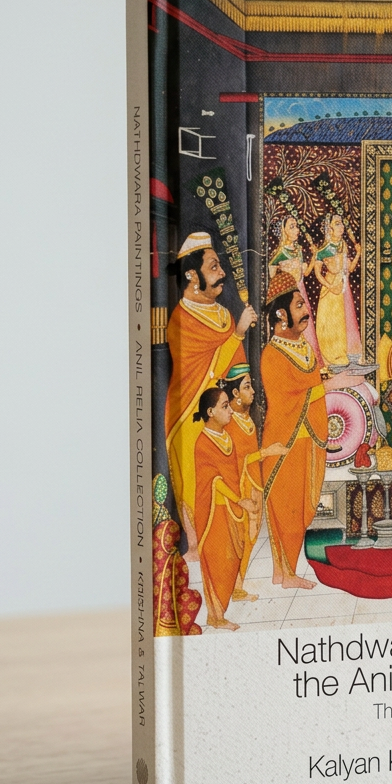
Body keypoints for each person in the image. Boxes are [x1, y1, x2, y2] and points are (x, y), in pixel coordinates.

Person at [260, 272, 359, 588]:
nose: (306, 311)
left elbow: (309, 380)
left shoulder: (302, 346)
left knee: (304, 507)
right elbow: (286, 396)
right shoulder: (272, 354)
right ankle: (285, 573)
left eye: (304, 304)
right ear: (281, 314)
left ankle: (284, 571)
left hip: (310, 437)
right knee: (287, 507)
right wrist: (331, 384)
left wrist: (328, 379)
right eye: (299, 305)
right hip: (285, 442)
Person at [164, 233, 255, 554]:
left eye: (220, 266)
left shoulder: (224, 315)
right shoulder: (180, 319)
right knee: (197, 482)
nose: (222, 273)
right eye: (213, 267)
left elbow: (234, 366)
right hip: (189, 411)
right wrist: (238, 333)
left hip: (223, 411)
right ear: (192, 275)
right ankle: (195, 546)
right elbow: (207, 372)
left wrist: (243, 394)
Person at [191, 387, 259, 630]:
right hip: (214, 512)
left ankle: (224, 609)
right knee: (218, 563)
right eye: (224, 406)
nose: (230, 410)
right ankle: (215, 617)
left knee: (233, 560)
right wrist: (240, 500)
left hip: (232, 509)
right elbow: (215, 481)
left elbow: (237, 469)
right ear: (210, 412)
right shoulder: (203, 443)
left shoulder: (227, 437)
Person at [220, 364, 288, 601]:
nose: (253, 391)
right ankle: (231, 587)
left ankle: (237, 586)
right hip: (240, 485)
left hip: (254, 482)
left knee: (250, 537)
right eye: (247, 387)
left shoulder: (245, 418)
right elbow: (236, 459)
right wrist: (267, 452)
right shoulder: (229, 421)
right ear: (235, 393)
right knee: (239, 537)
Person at [269, 215, 322, 363]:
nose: (296, 230)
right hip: (288, 297)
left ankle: (312, 361)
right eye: (292, 227)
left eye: (296, 226)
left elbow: (306, 273)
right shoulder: (280, 253)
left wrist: (314, 256)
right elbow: (272, 276)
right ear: (284, 231)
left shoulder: (298, 250)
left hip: (301, 292)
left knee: (306, 326)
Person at [313, 213, 362, 367]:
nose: (341, 227)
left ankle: (350, 354)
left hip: (343, 287)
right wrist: (330, 286)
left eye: (341, 223)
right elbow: (317, 273)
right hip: (331, 290)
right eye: (337, 224)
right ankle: (333, 357)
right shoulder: (323, 250)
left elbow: (350, 268)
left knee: (346, 320)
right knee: (332, 324)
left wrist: (358, 253)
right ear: (329, 228)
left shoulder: (343, 245)